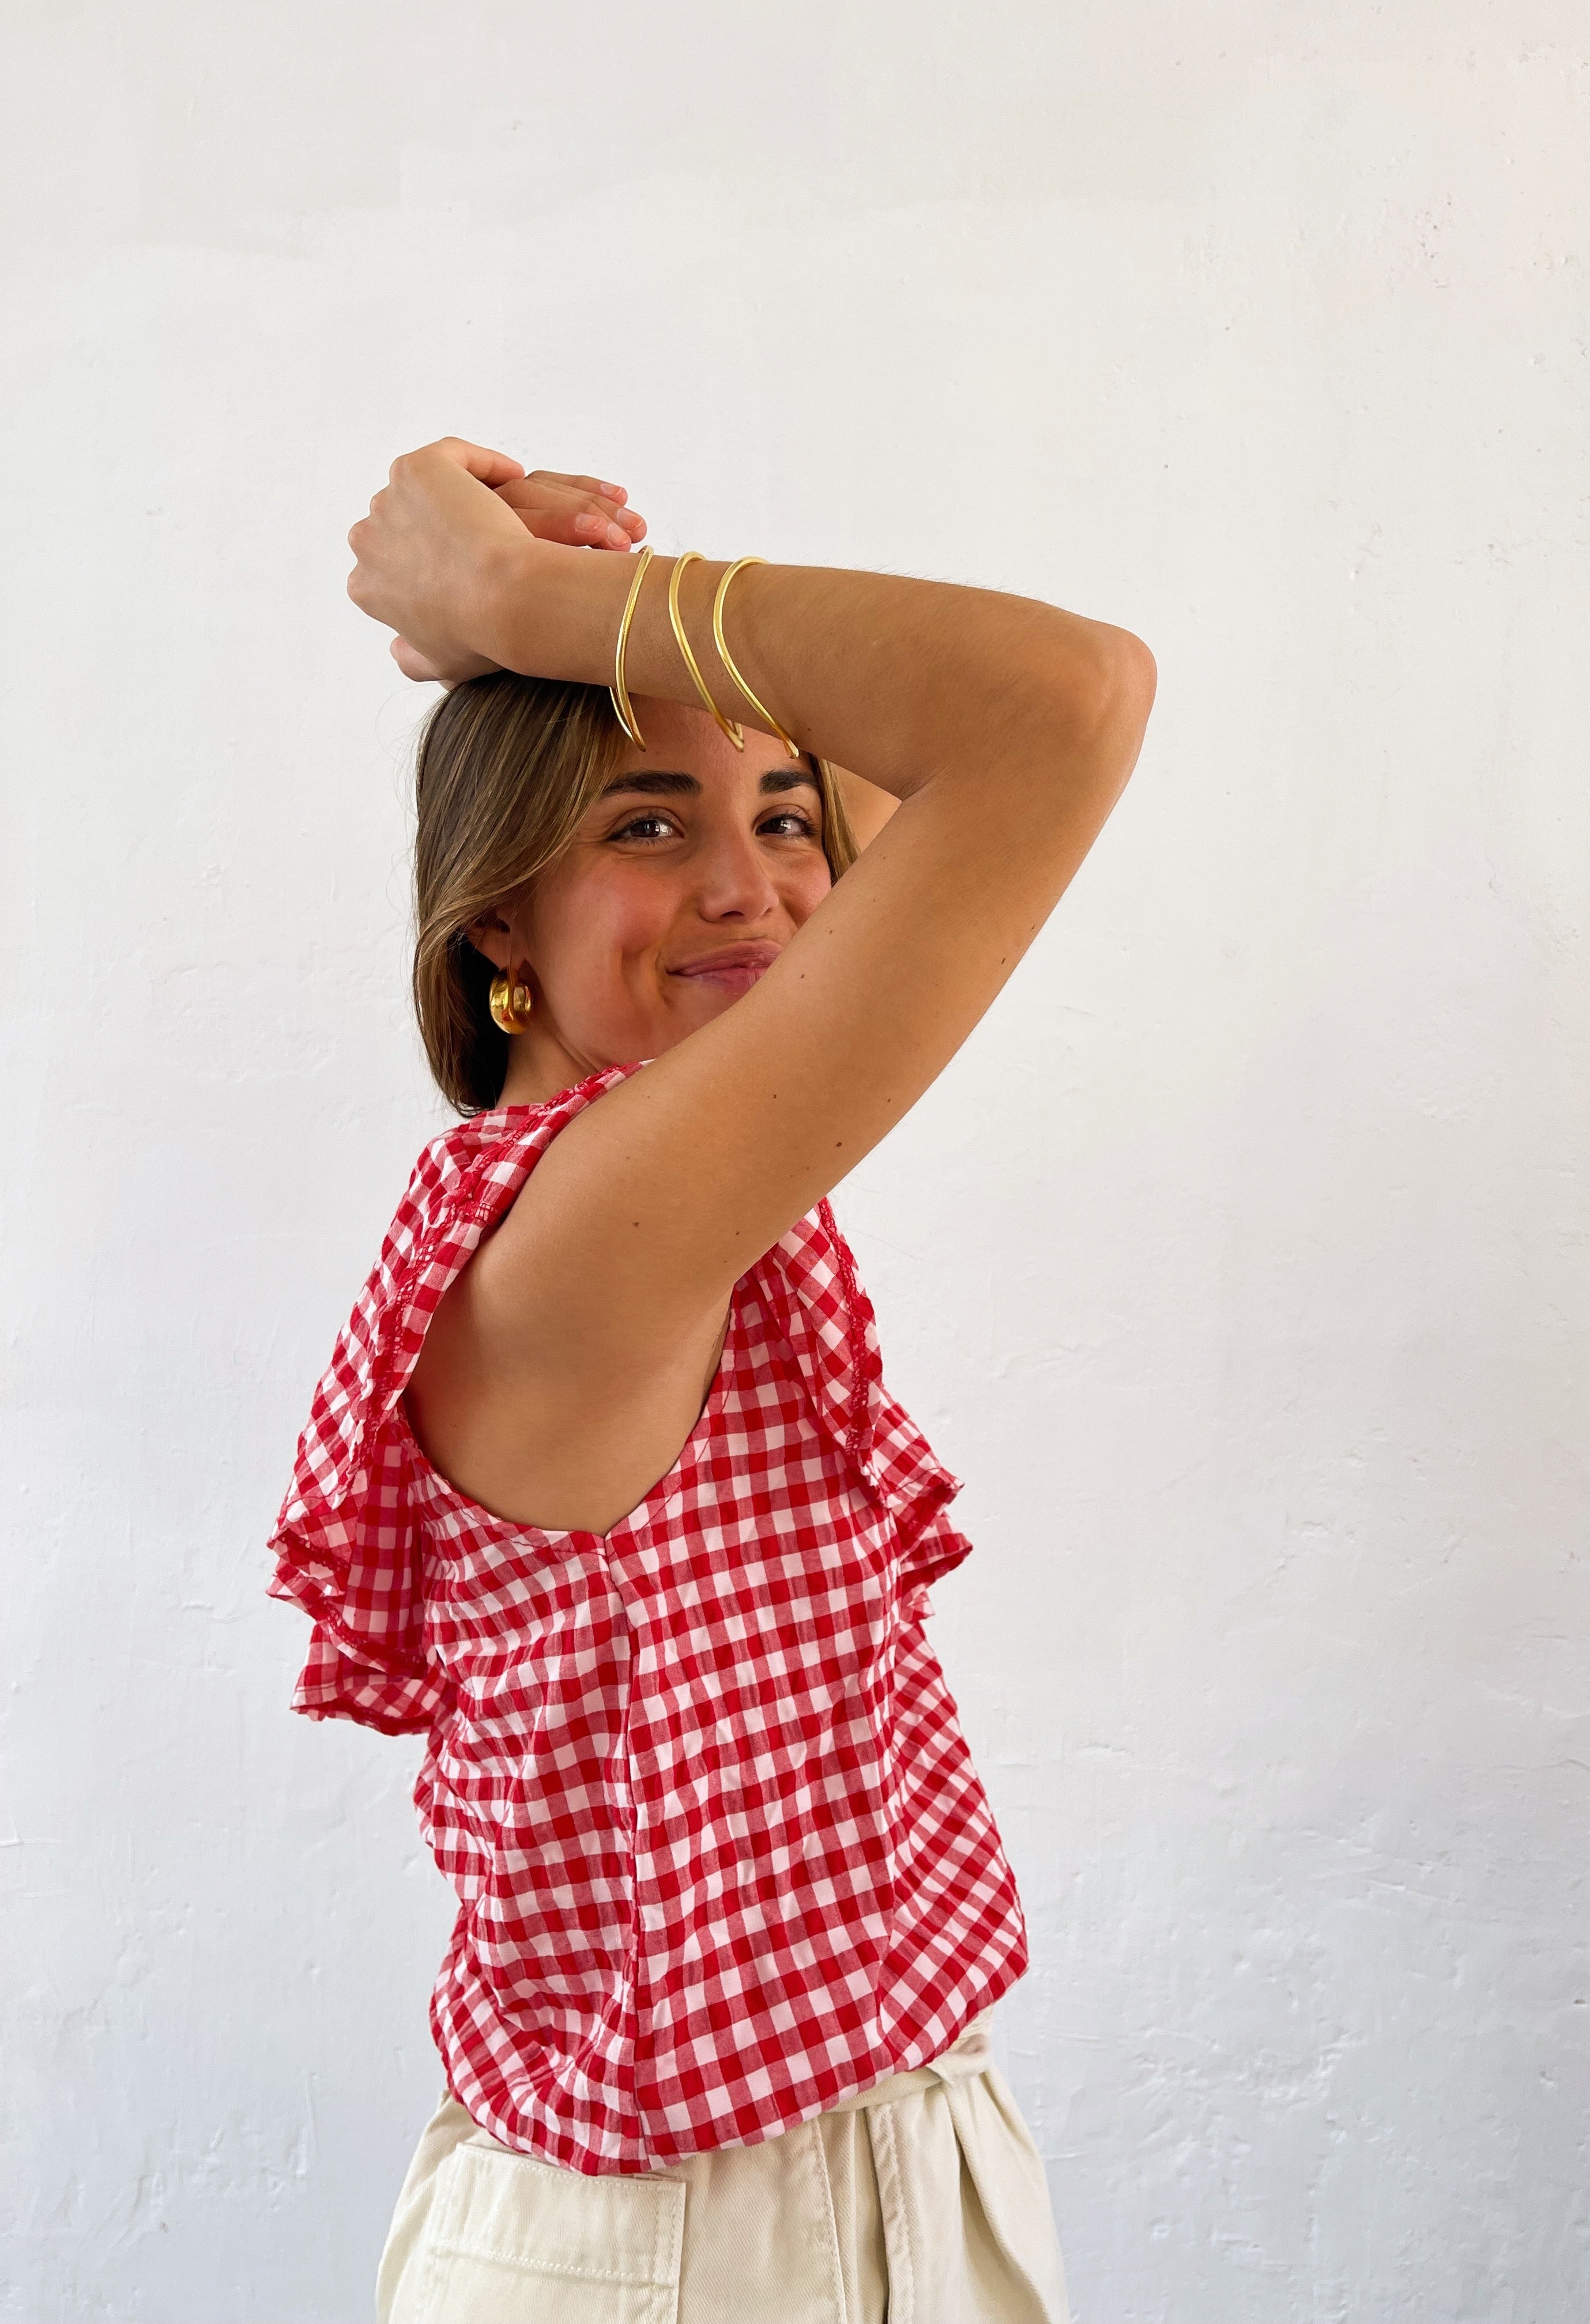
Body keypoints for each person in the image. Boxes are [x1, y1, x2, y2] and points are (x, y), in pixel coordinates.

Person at [269, 437, 1154, 2324]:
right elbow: (1059, 705)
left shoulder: (658, 1190)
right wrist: (517, 612)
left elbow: (950, 738)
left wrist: (585, 600)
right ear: (497, 911)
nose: (757, 889)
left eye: (786, 819)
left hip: (860, 2177)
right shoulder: (582, 1237)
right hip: (697, 2251)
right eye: (649, 824)